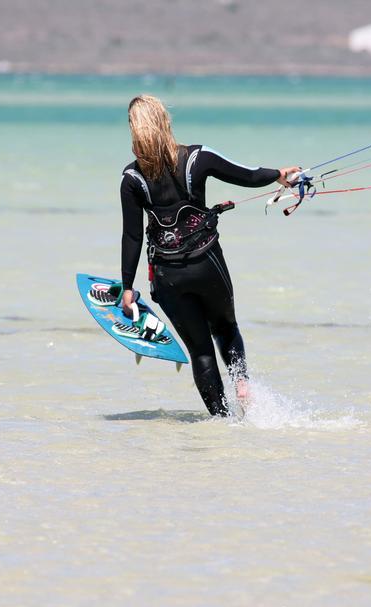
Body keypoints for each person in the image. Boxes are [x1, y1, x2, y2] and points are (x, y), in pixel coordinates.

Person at [119, 94, 299, 417]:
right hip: (207, 264)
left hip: (168, 276)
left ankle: (223, 420)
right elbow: (246, 175)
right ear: (165, 123)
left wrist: (128, 289)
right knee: (226, 328)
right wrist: (278, 175)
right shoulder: (197, 159)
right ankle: (242, 383)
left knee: (201, 352)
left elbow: (131, 236)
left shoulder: (132, 180)